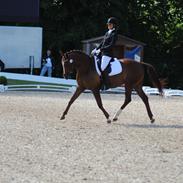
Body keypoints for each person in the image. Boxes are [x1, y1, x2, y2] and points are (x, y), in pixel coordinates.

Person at [91, 17, 118, 89]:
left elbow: (111, 45)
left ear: (114, 25)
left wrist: (101, 49)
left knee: (102, 67)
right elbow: (102, 42)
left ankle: (105, 84)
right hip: (102, 52)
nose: (108, 25)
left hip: (108, 54)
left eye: (110, 24)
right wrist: (96, 48)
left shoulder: (114, 34)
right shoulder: (107, 33)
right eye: (108, 24)